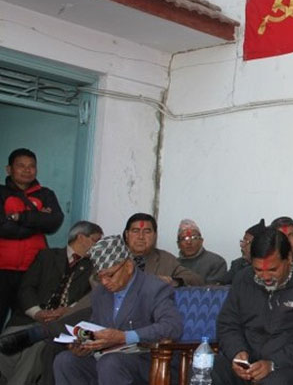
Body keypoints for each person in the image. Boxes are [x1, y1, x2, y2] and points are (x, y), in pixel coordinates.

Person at [52, 234, 183, 384]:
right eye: (99, 277)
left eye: (109, 275)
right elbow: (96, 328)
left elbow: (172, 327)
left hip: (148, 361)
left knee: (110, 363)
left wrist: (125, 337)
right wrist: (85, 344)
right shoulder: (100, 293)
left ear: (128, 266)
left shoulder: (154, 288)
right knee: (65, 361)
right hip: (107, 359)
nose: (104, 282)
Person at [213, 227, 293, 385]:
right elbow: (227, 323)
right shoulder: (243, 279)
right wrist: (237, 353)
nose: (265, 277)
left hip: (290, 368)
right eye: (257, 270)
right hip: (248, 365)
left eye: (273, 270)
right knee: (209, 370)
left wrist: (273, 364)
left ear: (289, 258)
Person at [0, 221, 102, 384]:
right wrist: (37, 312)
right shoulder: (46, 256)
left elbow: (91, 299)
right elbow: (27, 288)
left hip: (60, 324)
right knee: (6, 343)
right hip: (30, 318)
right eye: (96, 240)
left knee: (36, 348)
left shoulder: (94, 267)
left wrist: (67, 311)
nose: (99, 246)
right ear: (81, 237)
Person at [0, 148, 64, 330]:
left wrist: (18, 217)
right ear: (9, 169)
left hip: (33, 271)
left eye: (32, 166)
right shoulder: (1, 193)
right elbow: (3, 228)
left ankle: (20, 359)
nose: (27, 170)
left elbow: (54, 222)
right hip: (2, 269)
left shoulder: (46, 194)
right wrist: (37, 220)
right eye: (21, 166)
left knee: (25, 322)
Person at [123, 213, 203, 286]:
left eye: (147, 232)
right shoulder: (115, 256)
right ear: (127, 235)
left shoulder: (165, 260)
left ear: (155, 235)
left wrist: (174, 281)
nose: (141, 237)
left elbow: (196, 280)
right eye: (135, 231)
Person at [175, 219, 227, 284]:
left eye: (194, 237)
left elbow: (211, 291)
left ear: (201, 241)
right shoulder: (173, 264)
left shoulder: (216, 262)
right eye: (184, 238)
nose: (189, 242)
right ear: (178, 244)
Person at [220, 218, 267, 285]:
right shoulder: (237, 265)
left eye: (247, 242)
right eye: (242, 241)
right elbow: (221, 285)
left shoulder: (271, 266)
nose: (242, 245)